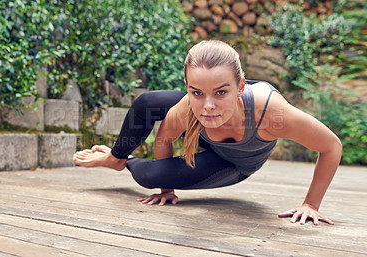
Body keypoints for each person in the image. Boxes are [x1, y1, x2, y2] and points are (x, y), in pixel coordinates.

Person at [73, 40, 342, 226]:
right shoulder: (189, 106)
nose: (208, 106)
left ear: (240, 86)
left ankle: (128, 163)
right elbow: (165, 135)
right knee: (149, 103)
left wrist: (311, 204)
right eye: (196, 92)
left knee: (147, 174)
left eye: (221, 92)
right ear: (188, 87)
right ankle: (117, 157)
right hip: (206, 136)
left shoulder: (272, 114)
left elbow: (331, 146)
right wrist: (167, 190)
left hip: (232, 163)